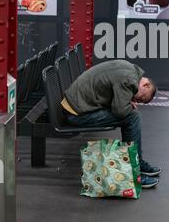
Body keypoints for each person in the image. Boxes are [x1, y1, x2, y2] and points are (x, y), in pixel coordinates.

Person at [61, 59, 161, 189]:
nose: (137, 100)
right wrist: (125, 104)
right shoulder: (128, 79)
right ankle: (133, 170)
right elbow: (120, 112)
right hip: (76, 114)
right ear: (146, 85)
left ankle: (136, 162)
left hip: (76, 105)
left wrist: (125, 101)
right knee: (132, 117)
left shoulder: (131, 70)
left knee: (131, 115)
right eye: (141, 98)